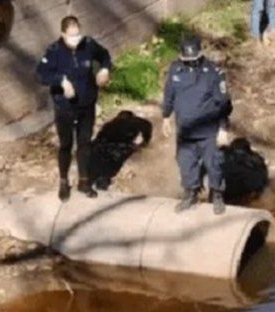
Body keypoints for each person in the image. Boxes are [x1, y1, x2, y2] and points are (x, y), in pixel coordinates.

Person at [36, 15, 112, 201]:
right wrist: (61, 81)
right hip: (65, 107)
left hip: (87, 103)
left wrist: (104, 69)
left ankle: (84, 181)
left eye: (77, 35)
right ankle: (63, 181)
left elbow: (104, 56)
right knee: (66, 144)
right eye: (71, 36)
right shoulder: (54, 51)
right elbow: (41, 74)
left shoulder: (88, 44)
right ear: (63, 34)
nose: (75, 39)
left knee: (85, 142)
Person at [162, 34, 232, 215]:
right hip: (185, 130)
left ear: (200, 55)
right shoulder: (175, 70)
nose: (190, 63)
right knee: (186, 164)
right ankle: (191, 193)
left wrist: (223, 128)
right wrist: (165, 117)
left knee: (214, 165)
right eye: (187, 60)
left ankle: (217, 195)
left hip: (209, 131)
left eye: (193, 60)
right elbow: (169, 94)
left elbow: (223, 103)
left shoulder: (214, 73)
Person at [88, 110, 152, 191]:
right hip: (117, 147)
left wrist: (144, 142)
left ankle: (98, 179)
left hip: (108, 147)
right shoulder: (135, 122)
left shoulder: (111, 123)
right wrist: (145, 142)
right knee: (109, 165)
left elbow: (98, 139)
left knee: (102, 164)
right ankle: (101, 180)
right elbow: (147, 125)